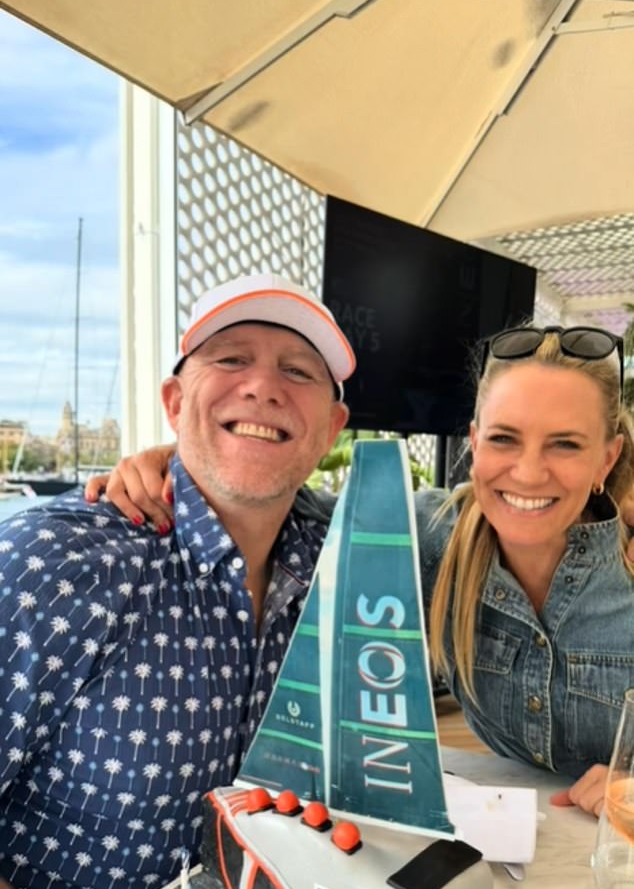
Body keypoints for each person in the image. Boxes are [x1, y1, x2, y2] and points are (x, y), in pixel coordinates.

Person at [93, 324, 634, 824]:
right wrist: (183, 455)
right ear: (473, 442)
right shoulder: (425, 534)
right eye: (504, 439)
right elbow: (275, 494)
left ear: (606, 460)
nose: (529, 471)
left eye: (566, 444)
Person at [0, 273, 351, 889]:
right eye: (230, 359)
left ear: (330, 429)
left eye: (298, 370)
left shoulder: (341, 565)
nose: (262, 385)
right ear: (173, 401)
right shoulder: (57, 563)